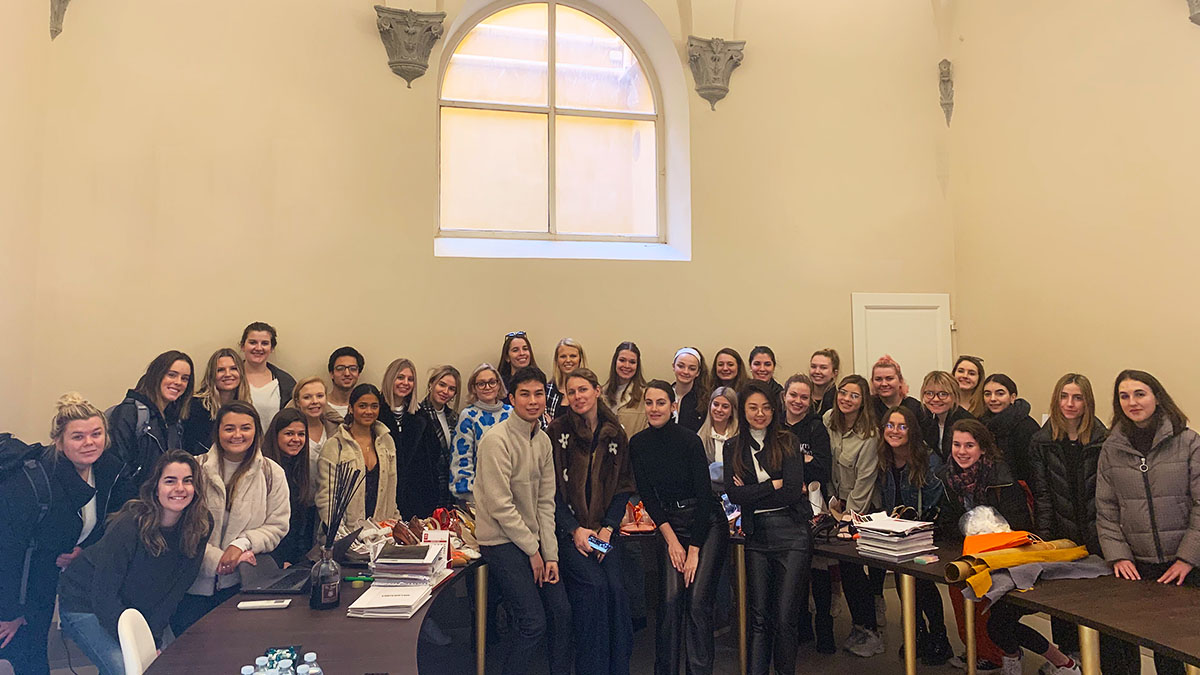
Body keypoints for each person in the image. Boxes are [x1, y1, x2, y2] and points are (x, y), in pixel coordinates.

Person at [58, 450, 212, 675]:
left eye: (187, 481)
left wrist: (152, 639)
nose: (180, 488)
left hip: (133, 608)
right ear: (155, 487)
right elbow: (104, 593)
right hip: (85, 603)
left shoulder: (201, 524)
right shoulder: (129, 525)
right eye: (170, 481)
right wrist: (134, 644)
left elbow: (177, 588)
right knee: (126, 669)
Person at [0, 394, 121, 675]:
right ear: (59, 442)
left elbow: (109, 522)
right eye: (78, 437)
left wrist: (85, 550)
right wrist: (11, 613)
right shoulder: (33, 482)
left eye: (96, 434)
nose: (89, 442)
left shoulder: (107, 471)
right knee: (30, 663)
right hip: (22, 590)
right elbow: (8, 551)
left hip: (48, 584)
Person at [1096, 370, 1200, 675]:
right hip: (1136, 567)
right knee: (1123, 645)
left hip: (1186, 568)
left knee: (1176, 653)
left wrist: (1187, 558)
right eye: (1124, 396)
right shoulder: (1111, 447)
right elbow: (1106, 508)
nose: (1132, 402)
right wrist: (1118, 555)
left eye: (1139, 394)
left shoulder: (1188, 442)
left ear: (1157, 396)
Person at [474, 367, 571, 675]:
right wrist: (533, 551)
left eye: (539, 394)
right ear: (511, 398)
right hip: (500, 541)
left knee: (562, 612)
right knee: (532, 623)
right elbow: (501, 506)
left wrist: (550, 554)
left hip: (532, 542)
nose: (533, 401)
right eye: (525, 394)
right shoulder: (496, 441)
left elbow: (546, 502)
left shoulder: (542, 440)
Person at [631, 380, 726, 675]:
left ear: (672, 407)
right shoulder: (638, 443)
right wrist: (672, 541)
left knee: (697, 603)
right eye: (649, 402)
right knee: (670, 605)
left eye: (661, 403)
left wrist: (694, 550)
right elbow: (648, 497)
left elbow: (704, 496)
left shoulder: (689, 440)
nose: (655, 408)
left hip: (706, 524)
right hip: (670, 526)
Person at [170, 402, 289, 636]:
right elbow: (180, 524)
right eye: (229, 428)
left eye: (245, 428)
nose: (237, 435)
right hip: (191, 583)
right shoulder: (194, 468)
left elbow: (277, 525)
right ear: (218, 431)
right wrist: (217, 559)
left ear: (256, 431)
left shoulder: (272, 472)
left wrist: (240, 545)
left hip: (241, 583)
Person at [546, 368, 635, 675]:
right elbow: (549, 492)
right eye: (571, 392)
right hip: (566, 532)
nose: (577, 397)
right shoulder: (556, 432)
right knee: (594, 587)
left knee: (615, 591)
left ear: (597, 391)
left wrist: (607, 528)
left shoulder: (616, 433)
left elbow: (624, 486)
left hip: (603, 532)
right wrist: (574, 529)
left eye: (583, 390)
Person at [724, 380, 811, 674]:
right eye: (752, 407)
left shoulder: (788, 440)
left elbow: (791, 491)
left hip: (792, 534)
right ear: (742, 410)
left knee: (785, 618)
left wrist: (754, 488)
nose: (759, 413)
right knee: (759, 617)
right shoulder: (732, 447)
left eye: (766, 408)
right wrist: (770, 484)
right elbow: (733, 495)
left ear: (774, 410)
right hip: (756, 534)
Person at [938, 419, 1030, 672]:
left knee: (998, 619)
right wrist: (966, 527)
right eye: (957, 444)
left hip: (1005, 556)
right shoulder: (948, 477)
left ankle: (1006, 655)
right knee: (960, 590)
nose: (962, 451)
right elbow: (947, 521)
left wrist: (990, 529)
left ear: (983, 448)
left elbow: (1020, 522)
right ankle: (981, 651)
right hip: (971, 554)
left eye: (970, 445)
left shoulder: (1000, 475)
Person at [1028, 373, 1108, 658]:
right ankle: (1067, 657)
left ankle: (1098, 657)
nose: (1070, 404)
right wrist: (1046, 539)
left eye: (1077, 397)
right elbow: (1043, 495)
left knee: (1100, 603)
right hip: (1061, 532)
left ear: (1087, 402)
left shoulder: (1103, 440)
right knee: (1063, 602)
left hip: (1098, 532)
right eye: (1064, 396)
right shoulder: (1042, 442)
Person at [876, 405, 952, 665]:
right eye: (890, 425)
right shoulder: (884, 457)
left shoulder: (927, 459)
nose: (894, 431)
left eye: (901, 426)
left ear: (912, 430)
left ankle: (940, 637)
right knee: (901, 584)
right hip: (894, 534)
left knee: (923, 585)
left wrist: (911, 521)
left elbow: (935, 498)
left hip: (922, 534)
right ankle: (917, 634)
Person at [824, 374, 885, 657]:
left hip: (861, 510)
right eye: (843, 393)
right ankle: (860, 625)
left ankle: (868, 629)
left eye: (854, 395)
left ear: (864, 402)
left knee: (852, 568)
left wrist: (848, 518)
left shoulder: (870, 434)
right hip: (833, 505)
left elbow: (865, 481)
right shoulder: (827, 421)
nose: (846, 399)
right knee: (840, 567)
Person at [780, 374, 834, 653]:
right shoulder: (775, 425)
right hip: (783, 504)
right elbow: (770, 464)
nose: (797, 401)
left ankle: (825, 626)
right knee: (794, 567)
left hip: (813, 505)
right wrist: (802, 462)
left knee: (819, 567)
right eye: (793, 395)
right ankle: (801, 624)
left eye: (803, 397)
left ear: (810, 399)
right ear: (784, 396)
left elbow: (823, 468)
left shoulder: (816, 428)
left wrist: (793, 465)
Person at [108, 350, 195, 509]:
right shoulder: (129, 412)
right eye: (172, 375)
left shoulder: (175, 421)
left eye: (185, 378)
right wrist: (136, 508)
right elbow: (117, 468)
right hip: (132, 509)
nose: (178, 382)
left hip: (162, 508)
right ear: (156, 375)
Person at [316, 384, 400, 530]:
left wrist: (395, 526)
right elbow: (326, 498)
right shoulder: (335, 446)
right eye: (362, 406)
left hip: (380, 535)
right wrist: (339, 534)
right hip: (345, 535)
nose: (369, 411)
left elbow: (391, 491)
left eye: (374, 406)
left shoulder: (387, 442)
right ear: (351, 408)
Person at [399, 366, 461, 517]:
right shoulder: (416, 415)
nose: (445, 391)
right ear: (431, 384)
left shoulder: (455, 418)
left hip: (450, 492)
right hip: (424, 493)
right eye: (442, 385)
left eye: (451, 388)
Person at [261, 408, 317, 567]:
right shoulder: (265, 469)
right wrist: (281, 561)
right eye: (289, 433)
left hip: (290, 559)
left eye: (301, 434)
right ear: (275, 435)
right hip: (269, 559)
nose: (296, 439)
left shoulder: (298, 468)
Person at [452, 364, 512, 502]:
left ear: (499, 385)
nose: (487, 387)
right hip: (479, 496)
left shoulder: (511, 413)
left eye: (492, 382)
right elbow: (461, 459)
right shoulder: (468, 416)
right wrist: (470, 497)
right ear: (474, 388)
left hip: (510, 492)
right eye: (481, 384)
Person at [183, 347, 251, 454]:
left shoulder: (246, 407)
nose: (228, 374)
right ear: (211, 375)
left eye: (233, 368)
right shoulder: (195, 406)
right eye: (220, 370)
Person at [979, 373, 1039, 485]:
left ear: (1012, 397)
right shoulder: (981, 423)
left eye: (1000, 394)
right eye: (987, 394)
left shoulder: (1026, 426)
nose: (992, 399)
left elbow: (1033, 470)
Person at [239, 322, 296, 426]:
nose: (258, 348)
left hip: (274, 442)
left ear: (272, 348)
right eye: (253, 342)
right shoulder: (229, 379)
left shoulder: (285, 382)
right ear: (243, 346)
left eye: (265, 343)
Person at [289, 376, 342, 477]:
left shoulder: (337, 430)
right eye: (307, 397)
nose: (314, 401)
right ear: (297, 402)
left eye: (320, 396)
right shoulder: (289, 433)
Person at [918, 370, 974, 462]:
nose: (935, 399)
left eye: (943, 394)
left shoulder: (966, 422)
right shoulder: (929, 420)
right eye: (929, 393)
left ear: (955, 396)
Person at [602, 341, 649, 436]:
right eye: (622, 360)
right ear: (615, 361)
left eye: (632, 362)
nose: (627, 366)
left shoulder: (645, 396)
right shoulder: (601, 394)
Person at [697, 387, 738, 494]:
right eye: (715, 404)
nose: (719, 409)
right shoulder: (700, 438)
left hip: (736, 494)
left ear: (732, 411)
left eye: (725, 406)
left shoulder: (740, 437)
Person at [378, 357, 418, 444]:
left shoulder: (420, 415)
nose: (406, 383)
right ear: (390, 379)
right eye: (400, 377)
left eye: (410, 379)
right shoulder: (375, 409)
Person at [546, 338, 587, 423]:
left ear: (580, 359)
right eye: (563, 356)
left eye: (573, 356)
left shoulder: (590, 389)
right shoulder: (548, 391)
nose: (568, 360)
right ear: (557, 360)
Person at [869, 355, 921, 421]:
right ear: (872, 382)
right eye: (878, 379)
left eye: (889, 378)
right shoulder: (867, 407)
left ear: (900, 381)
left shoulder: (915, 407)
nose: (884, 384)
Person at [672, 347, 710, 432]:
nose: (686, 372)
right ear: (673, 366)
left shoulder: (705, 401)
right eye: (681, 366)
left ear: (698, 372)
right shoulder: (664, 395)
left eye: (692, 368)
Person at [326, 346, 365, 418]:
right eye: (340, 369)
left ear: (358, 374)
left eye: (353, 369)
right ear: (331, 374)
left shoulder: (365, 408)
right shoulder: (320, 406)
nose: (347, 374)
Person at [809, 348, 840, 416]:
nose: (817, 371)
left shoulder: (838, 401)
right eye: (813, 366)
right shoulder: (801, 397)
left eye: (823, 367)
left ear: (834, 373)